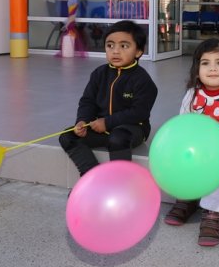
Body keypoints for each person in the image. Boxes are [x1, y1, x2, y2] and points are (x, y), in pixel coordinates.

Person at [163, 38, 219, 247]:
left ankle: (212, 211)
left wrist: (217, 142)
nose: (212, 68)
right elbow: (183, 122)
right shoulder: (193, 94)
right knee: (183, 155)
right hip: (198, 143)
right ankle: (187, 197)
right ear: (197, 69)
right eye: (205, 63)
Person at [59, 20, 157, 177]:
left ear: (138, 51)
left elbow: (140, 112)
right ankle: (91, 175)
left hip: (131, 130)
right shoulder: (99, 74)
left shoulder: (142, 80)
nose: (115, 51)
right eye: (110, 45)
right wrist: (83, 120)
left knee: (117, 138)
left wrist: (108, 122)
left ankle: (119, 180)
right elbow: (88, 101)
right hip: (100, 128)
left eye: (124, 46)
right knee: (67, 136)